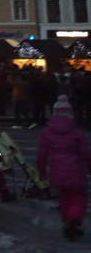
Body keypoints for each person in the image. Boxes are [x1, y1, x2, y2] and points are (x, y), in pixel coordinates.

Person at [37, 95, 91, 240]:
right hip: (75, 170)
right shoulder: (76, 132)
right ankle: (74, 219)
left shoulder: (47, 132)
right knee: (79, 195)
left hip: (56, 171)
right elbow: (85, 154)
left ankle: (67, 220)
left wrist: (41, 171)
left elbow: (41, 154)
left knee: (64, 196)